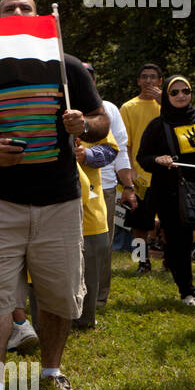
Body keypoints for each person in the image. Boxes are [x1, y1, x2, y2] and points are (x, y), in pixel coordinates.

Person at [0, 0, 109, 390]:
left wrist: (84, 126)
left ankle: (51, 373)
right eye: (10, 9)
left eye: (25, 7)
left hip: (60, 202)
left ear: (40, 17)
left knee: (58, 293)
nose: (18, 13)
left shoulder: (68, 68)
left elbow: (101, 121)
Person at [135, 76, 195, 306]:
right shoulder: (157, 125)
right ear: (166, 96)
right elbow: (142, 158)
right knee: (179, 244)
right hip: (171, 193)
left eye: (185, 90)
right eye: (174, 92)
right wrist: (158, 159)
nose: (181, 95)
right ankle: (187, 292)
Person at [84, 62, 136, 299]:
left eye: (89, 76)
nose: (85, 80)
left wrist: (128, 186)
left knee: (101, 245)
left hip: (103, 187)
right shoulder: (59, 106)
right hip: (65, 187)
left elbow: (121, 150)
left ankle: (98, 297)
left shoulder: (108, 109)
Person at [120, 63, 163, 273]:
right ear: (138, 81)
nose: (148, 81)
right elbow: (125, 144)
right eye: (144, 77)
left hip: (165, 173)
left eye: (153, 77)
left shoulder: (167, 104)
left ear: (160, 81)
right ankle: (141, 262)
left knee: (171, 222)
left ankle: (170, 261)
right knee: (139, 225)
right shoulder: (128, 107)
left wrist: (164, 100)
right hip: (139, 176)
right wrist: (130, 171)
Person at [73, 131, 118, 330]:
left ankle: (85, 319)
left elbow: (111, 150)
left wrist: (87, 155)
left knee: (91, 262)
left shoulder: (91, 114)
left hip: (90, 208)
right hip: (50, 205)